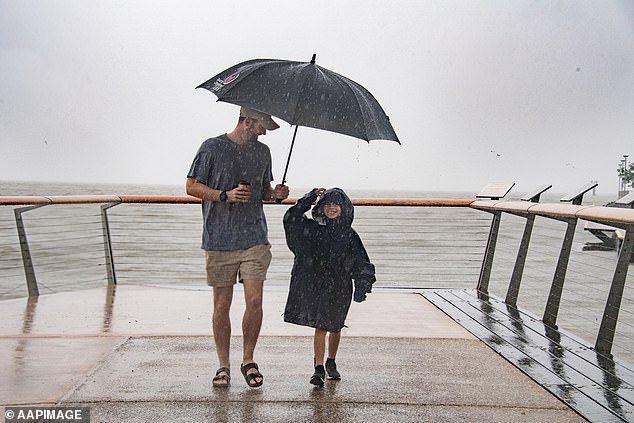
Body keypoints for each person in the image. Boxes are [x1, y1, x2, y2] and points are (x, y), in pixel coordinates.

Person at [186, 106, 289, 388]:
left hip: (254, 237)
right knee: (222, 305)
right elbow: (191, 186)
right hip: (219, 238)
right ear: (247, 121)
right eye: (261, 126)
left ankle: (248, 360)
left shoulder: (262, 152)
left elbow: (265, 192)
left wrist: (276, 195)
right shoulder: (211, 147)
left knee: (255, 301)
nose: (264, 132)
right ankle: (223, 365)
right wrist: (224, 195)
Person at [282, 187, 375, 387]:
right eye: (328, 204)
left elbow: (362, 261)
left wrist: (362, 285)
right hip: (318, 285)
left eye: (336, 205)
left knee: (335, 325)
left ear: (344, 208)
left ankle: (331, 361)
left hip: (341, 286)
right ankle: (318, 368)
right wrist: (310, 197)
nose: (332, 208)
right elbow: (291, 218)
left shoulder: (350, 235)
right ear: (321, 208)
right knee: (321, 325)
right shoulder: (313, 230)